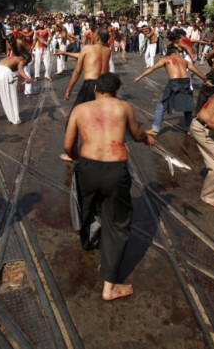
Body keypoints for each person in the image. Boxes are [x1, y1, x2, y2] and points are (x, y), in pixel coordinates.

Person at [63, 72, 156, 300]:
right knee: (117, 224)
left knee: (87, 207)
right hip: (115, 170)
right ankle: (110, 287)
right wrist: (146, 137)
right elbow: (135, 135)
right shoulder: (123, 107)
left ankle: (88, 242)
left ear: (95, 89)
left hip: (87, 167)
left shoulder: (80, 109)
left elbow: (68, 145)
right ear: (117, 90)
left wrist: (78, 159)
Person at [133, 40, 208, 133]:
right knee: (187, 107)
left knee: (161, 105)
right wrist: (206, 80)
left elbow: (152, 68)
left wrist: (139, 77)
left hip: (174, 82)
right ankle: (188, 128)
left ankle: (155, 130)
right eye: (179, 53)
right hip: (185, 82)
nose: (180, 54)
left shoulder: (166, 59)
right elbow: (196, 71)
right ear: (175, 53)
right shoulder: (184, 61)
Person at [0, 48, 31, 125]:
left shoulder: (11, 58)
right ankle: (15, 119)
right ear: (25, 59)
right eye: (27, 62)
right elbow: (20, 69)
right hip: (4, 73)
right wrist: (26, 78)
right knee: (10, 96)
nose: (26, 65)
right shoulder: (21, 60)